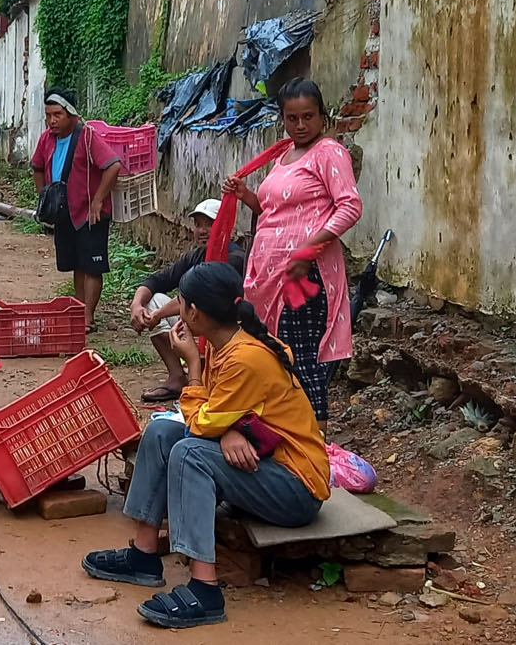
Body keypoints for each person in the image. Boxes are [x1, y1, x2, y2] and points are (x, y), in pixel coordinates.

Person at [81, 262, 328, 629]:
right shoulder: (224, 342)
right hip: (259, 459)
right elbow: (217, 413)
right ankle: (144, 555)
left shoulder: (243, 357)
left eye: (181, 303)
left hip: (295, 486)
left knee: (189, 452)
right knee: (162, 433)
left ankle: (205, 589)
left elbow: (201, 422)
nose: (178, 309)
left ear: (194, 313)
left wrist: (192, 367)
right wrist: (226, 429)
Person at [222, 79, 362, 422]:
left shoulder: (329, 153)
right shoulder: (283, 156)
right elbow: (272, 214)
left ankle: (313, 453)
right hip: (269, 276)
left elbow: (349, 207)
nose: (300, 126)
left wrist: (306, 251)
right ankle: (289, 442)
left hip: (303, 275)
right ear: (282, 118)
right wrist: (245, 195)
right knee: (274, 355)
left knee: (300, 357)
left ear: (322, 116)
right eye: (292, 118)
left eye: (308, 117)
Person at [128, 199, 248, 402]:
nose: (202, 230)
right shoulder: (196, 255)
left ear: (225, 225)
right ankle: (177, 377)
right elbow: (158, 280)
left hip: (228, 330)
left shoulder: (234, 258)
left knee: (161, 308)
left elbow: (195, 297)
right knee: (152, 300)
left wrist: (158, 315)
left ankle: (203, 372)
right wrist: (136, 305)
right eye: (198, 224)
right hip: (199, 323)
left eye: (209, 224)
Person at [30, 91, 123, 328]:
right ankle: (80, 311)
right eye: (48, 115)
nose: (52, 121)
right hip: (64, 212)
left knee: (92, 265)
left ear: (71, 114)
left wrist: (98, 200)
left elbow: (112, 165)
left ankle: (88, 316)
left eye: (57, 115)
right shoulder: (46, 139)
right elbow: (37, 166)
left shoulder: (87, 137)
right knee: (76, 263)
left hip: (90, 213)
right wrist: (44, 196)